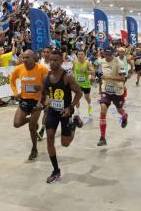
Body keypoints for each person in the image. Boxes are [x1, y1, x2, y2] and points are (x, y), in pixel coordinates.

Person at [41, 50, 83, 183]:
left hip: (66, 112)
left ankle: (75, 123)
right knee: (50, 140)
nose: (52, 62)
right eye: (51, 60)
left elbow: (79, 93)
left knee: (65, 143)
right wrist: (45, 102)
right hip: (53, 112)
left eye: (56, 60)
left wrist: (70, 107)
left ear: (61, 61)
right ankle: (56, 170)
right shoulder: (46, 78)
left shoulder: (67, 77)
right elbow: (45, 93)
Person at [10, 50, 48, 160]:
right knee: (16, 123)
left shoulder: (42, 69)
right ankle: (31, 120)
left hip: (38, 101)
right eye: (23, 57)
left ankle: (34, 149)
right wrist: (15, 92)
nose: (24, 60)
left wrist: (42, 89)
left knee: (32, 127)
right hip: (25, 100)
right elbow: (11, 79)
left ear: (33, 58)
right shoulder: (19, 68)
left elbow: (51, 83)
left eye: (27, 57)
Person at [98, 47, 128, 146]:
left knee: (119, 110)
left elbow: (123, 78)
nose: (108, 57)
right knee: (102, 111)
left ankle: (124, 116)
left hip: (118, 91)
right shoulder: (100, 62)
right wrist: (100, 88)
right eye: (106, 55)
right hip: (106, 90)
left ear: (113, 54)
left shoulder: (119, 63)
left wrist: (109, 77)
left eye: (109, 55)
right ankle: (102, 137)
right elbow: (100, 76)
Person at [72, 50, 94, 116]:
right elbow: (72, 69)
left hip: (86, 84)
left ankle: (90, 106)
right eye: (79, 54)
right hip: (77, 83)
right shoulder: (75, 62)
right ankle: (78, 111)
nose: (80, 56)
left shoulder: (87, 63)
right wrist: (72, 75)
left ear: (84, 55)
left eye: (82, 54)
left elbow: (93, 71)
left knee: (87, 97)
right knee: (77, 97)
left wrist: (86, 72)